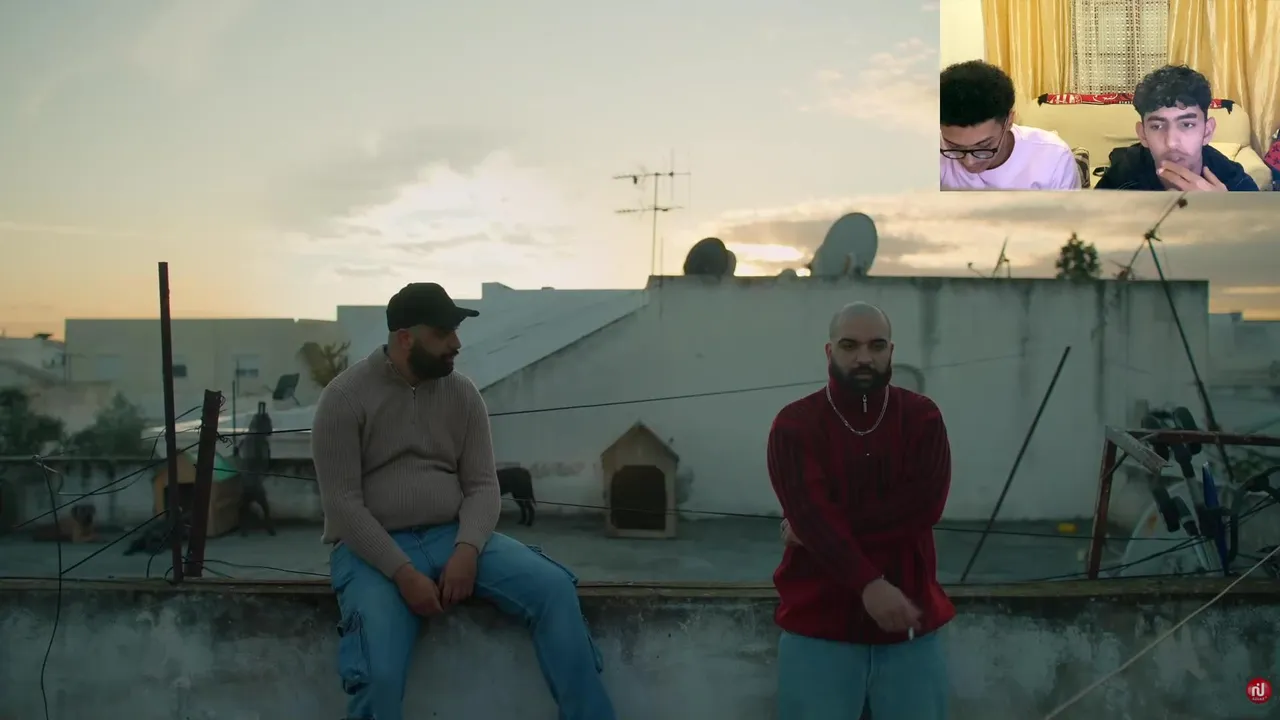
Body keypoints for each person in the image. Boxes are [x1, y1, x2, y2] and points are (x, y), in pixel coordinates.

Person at [311, 282, 617, 720]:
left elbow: (483, 486)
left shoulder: (463, 394)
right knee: (377, 671)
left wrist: (468, 550)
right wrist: (403, 574)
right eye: (443, 333)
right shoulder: (343, 398)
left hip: (452, 536)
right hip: (372, 553)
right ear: (405, 338)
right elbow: (342, 504)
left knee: (553, 590)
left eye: (455, 331)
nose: (456, 343)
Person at [768, 302, 954, 720]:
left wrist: (817, 530)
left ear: (892, 351)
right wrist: (869, 584)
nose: (864, 357)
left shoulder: (922, 418)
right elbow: (811, 514)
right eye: (850, 345)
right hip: (818, 631)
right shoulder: (794, 425)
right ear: (830, 351)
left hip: (910, 630)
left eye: (877, 345)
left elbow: (924, 508)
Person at [1095, 65, 1259, 191]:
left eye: (1187, 125)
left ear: (1207, 132)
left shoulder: (1233, 182)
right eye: (1157, 126)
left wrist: (1222, 211)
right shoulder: (1122, 177)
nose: (1171, 143)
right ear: (1143, 135)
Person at [940, 60, 1081, 191]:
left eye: (984, 146)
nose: (969, 162)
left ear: (1009, 121)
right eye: (954, 147)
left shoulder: (1053, 157)